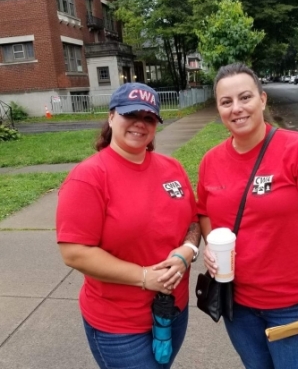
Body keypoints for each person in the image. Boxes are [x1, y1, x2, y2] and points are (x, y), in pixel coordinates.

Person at [197, 63, 298, 369]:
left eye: (245, 98)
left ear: (263, 100)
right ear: (218, 108)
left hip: (294, 306)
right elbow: (204, 213)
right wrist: (212, 247)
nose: (237, 109)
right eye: (226, 102)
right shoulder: (211, 161)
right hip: (239, 306)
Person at [56, 82, 201, 369]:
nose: (140, 123)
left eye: (148, 117)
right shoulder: (88, 177)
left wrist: (186, 252)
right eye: (130, 114)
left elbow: (193, 223)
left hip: (173, 309)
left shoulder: (173, 168)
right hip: (119, 326)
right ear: (111, 117)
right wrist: (145, 276)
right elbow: (74, 252)